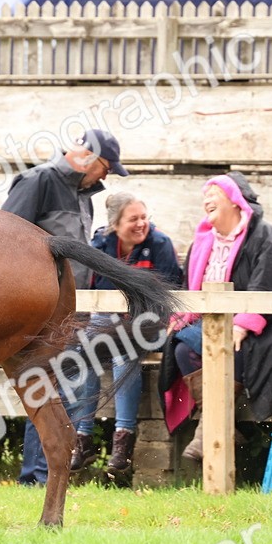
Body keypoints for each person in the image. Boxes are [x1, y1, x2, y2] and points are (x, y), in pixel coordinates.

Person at [0, 128, 129, 486]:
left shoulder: (83, 195)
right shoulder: (38, 181)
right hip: (40, 314)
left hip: (74, 311)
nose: (106, 175)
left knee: (65, 391)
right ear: (88, 156)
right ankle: (36, 477)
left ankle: (46, 476)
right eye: (106, 166)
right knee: (46, 390)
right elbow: (2, 241)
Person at [157, 172, 272, 462]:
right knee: (182, 346)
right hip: (212, 324)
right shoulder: (203, 242)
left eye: (214, 193)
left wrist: (244, 323)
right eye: (205, 196)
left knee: (232, 348)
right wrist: (181, 316)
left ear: (235, 201)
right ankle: (219, 424)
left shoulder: (264, 236)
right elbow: (192, 289)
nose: (206, 200)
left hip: (268, 323)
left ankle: (207, 431)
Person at [69, 193, 183, 486]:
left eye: (144, 217)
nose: (141, 224)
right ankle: (82, 438)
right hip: (107, 321)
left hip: (148, 324)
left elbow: (169, 296)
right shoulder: (102, 245)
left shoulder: (160, 245)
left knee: (123, 352)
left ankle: (123, 440)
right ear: (115, 225)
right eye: (133, 219)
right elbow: (95, 291)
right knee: (84, 353)